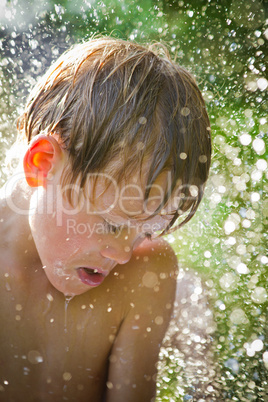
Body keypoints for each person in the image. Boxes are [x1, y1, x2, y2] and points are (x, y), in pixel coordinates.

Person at [0, 36, 211, 402]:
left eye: (145, 229)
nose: (123, 254)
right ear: (42, 165)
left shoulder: (145, 275)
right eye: (113, 224)